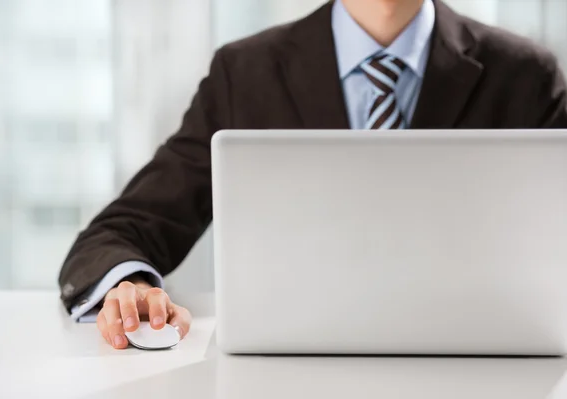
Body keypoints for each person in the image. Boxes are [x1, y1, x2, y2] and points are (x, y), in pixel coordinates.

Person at [58, 0, 567, 349]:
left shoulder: (527, 76)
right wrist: (133, 289)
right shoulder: (245, 73)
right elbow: (122, 229)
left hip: (483, 371)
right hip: (287, 376)